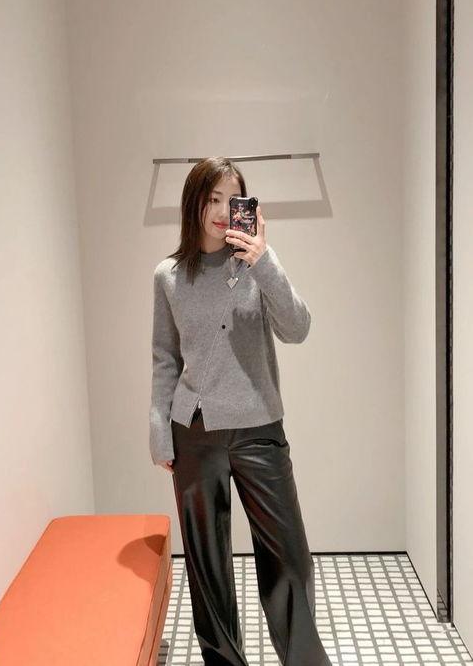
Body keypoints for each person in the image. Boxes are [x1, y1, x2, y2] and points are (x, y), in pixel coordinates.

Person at [149, 156, 332, 666]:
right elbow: (165, 357)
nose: (222, 210)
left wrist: (264, 260)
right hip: (195, 432)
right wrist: (159, 431)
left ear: (246, 207)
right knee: (207, 566)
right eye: (212, 198)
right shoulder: (168, 276)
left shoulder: (256, 264)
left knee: (290, 560)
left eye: (233, 200)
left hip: (258, 429)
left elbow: (297, 329)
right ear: (193, 203)